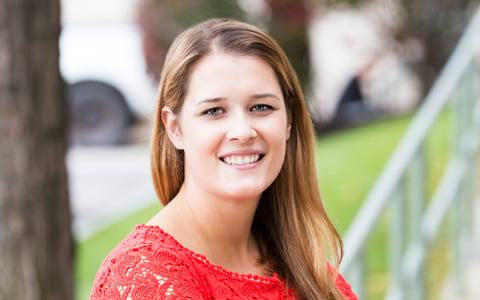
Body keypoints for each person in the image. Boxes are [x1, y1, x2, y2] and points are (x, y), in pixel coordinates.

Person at [90, 18, 358, 300]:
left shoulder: (301, 266)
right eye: (214, 111)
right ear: (175, 128)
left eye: (261, 107)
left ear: (288, 120)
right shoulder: (146, 277)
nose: (243, 131)